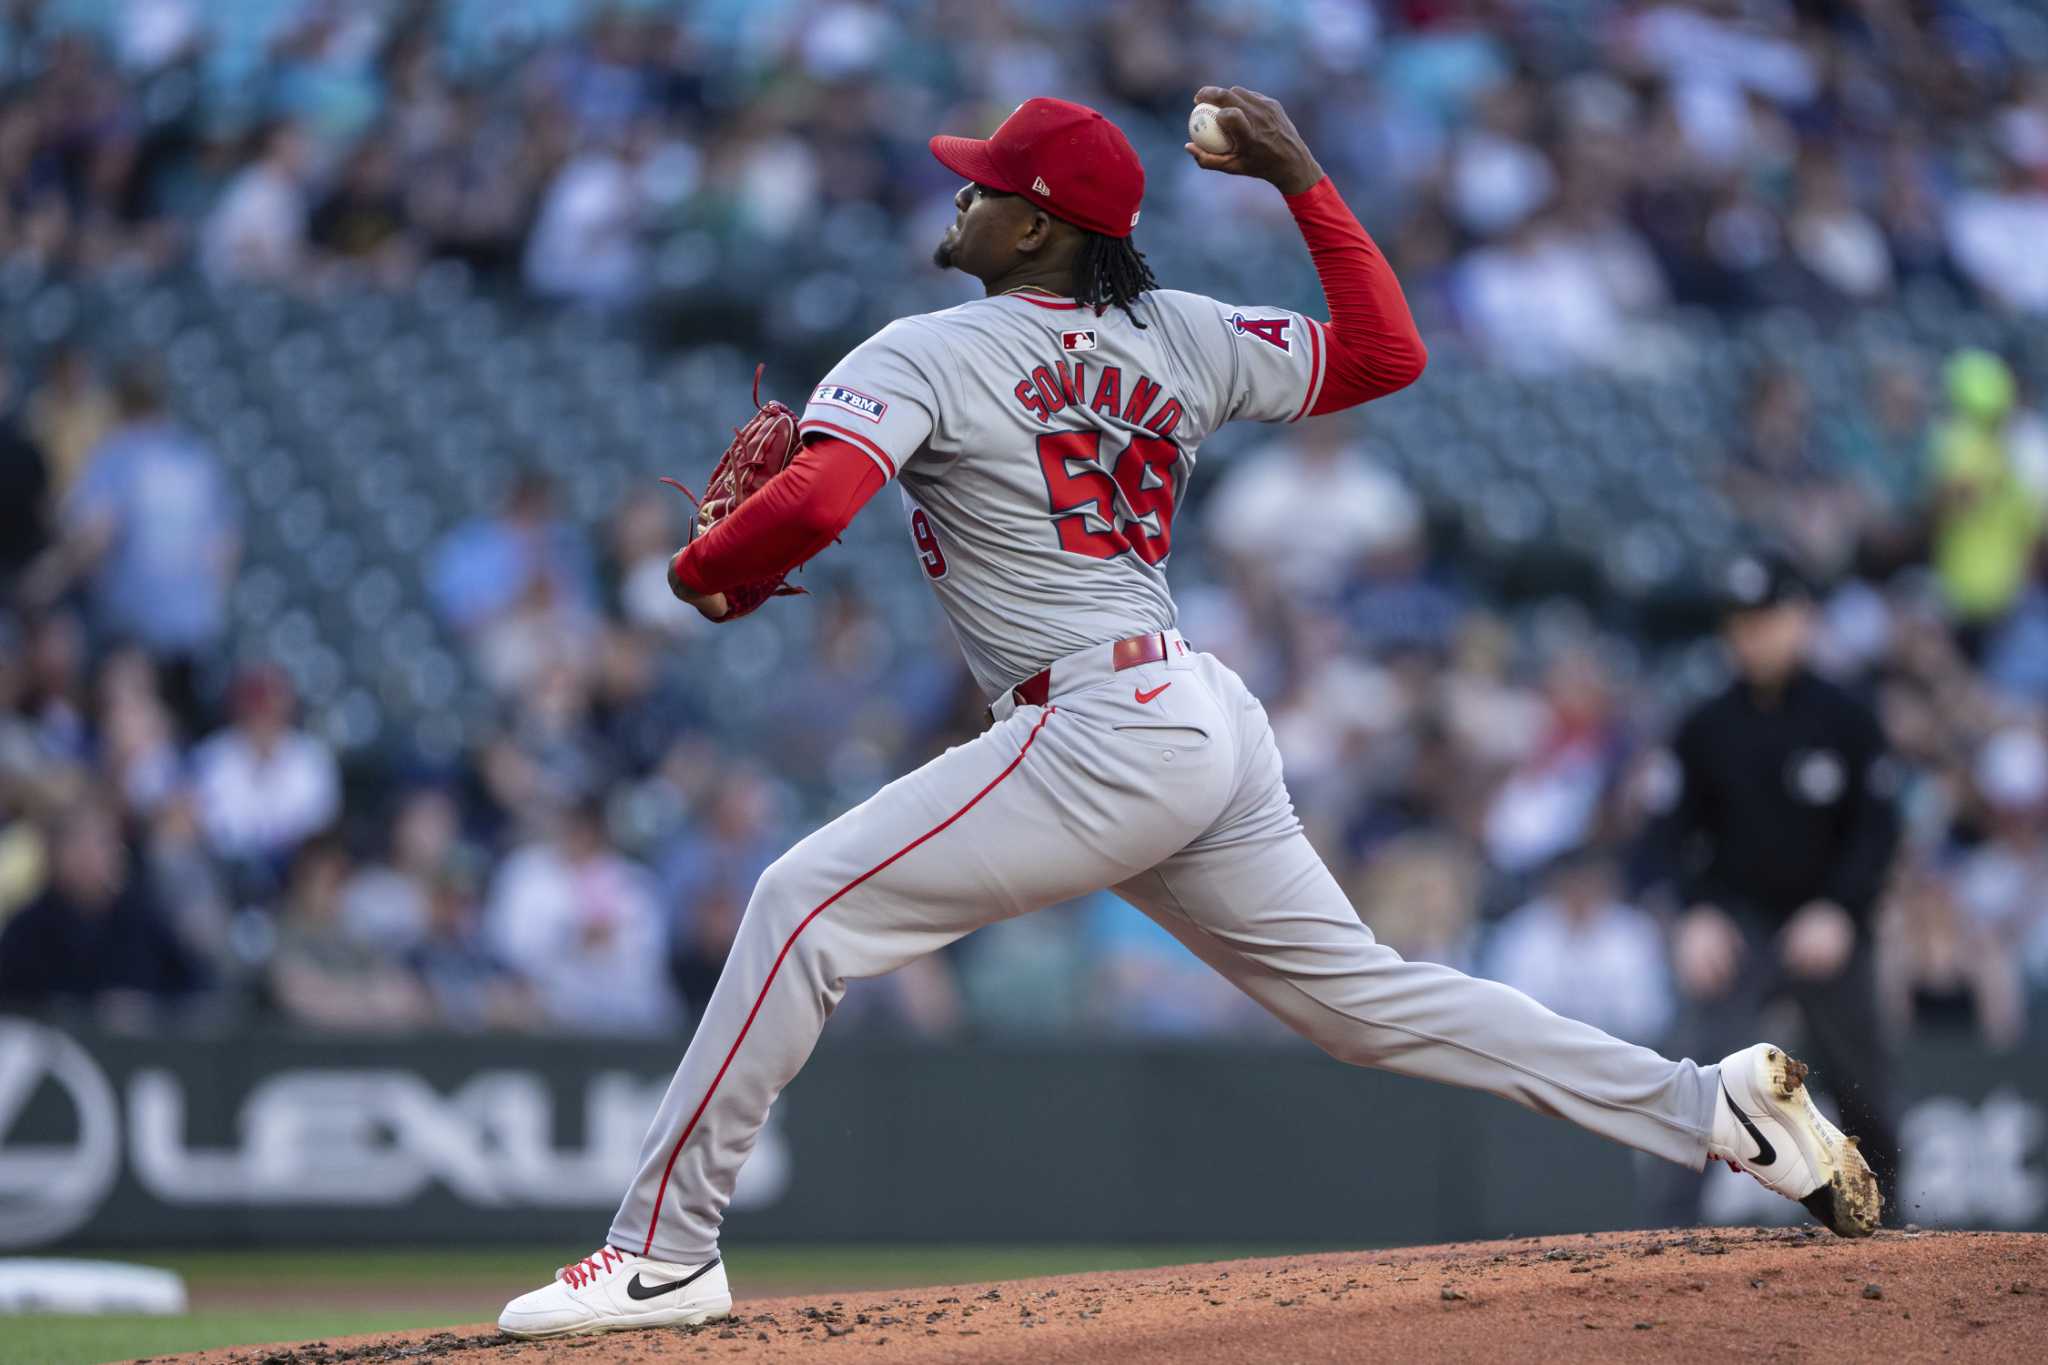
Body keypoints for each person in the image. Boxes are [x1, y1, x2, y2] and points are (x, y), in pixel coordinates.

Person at [499, 89, 1881, 1340]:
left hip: (1096, 721)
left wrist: (700, 569)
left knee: (803, 903)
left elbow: (815, 502)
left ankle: (660, 1253)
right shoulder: (1182, 332)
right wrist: (1302, 179)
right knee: (1369, 1003)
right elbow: (1385, 354)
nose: (961, 196)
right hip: (1194, 712)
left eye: (985, 186)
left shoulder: (924, 347)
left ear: (1037, 226)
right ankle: (1712, 1106)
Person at [1647, 550, 1902, 1226]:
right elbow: (1671, 832)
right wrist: (1695, 912)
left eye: (1765, 618)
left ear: (1801, 618)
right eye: (1740, 621)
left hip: (1825, 921)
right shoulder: (1704, 724)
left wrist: (1841, 909)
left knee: (1864, 1091)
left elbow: (1877, 830)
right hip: (1737, 924)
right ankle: (1664, 1242)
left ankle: (1889, 1235)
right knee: (1699, 1087)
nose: (1751, 634)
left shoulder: (1847, 716)